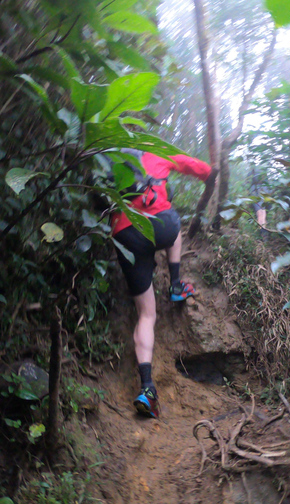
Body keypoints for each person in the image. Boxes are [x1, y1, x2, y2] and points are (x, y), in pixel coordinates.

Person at [110, 150, 215, 419]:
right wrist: (211, 171)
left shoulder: (113, 160)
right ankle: (176, 285)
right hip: (159, 225)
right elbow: (199, 168)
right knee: (173, 223)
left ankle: (147, 389)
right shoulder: (158, 152)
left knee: (146, 314)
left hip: (125, 233)